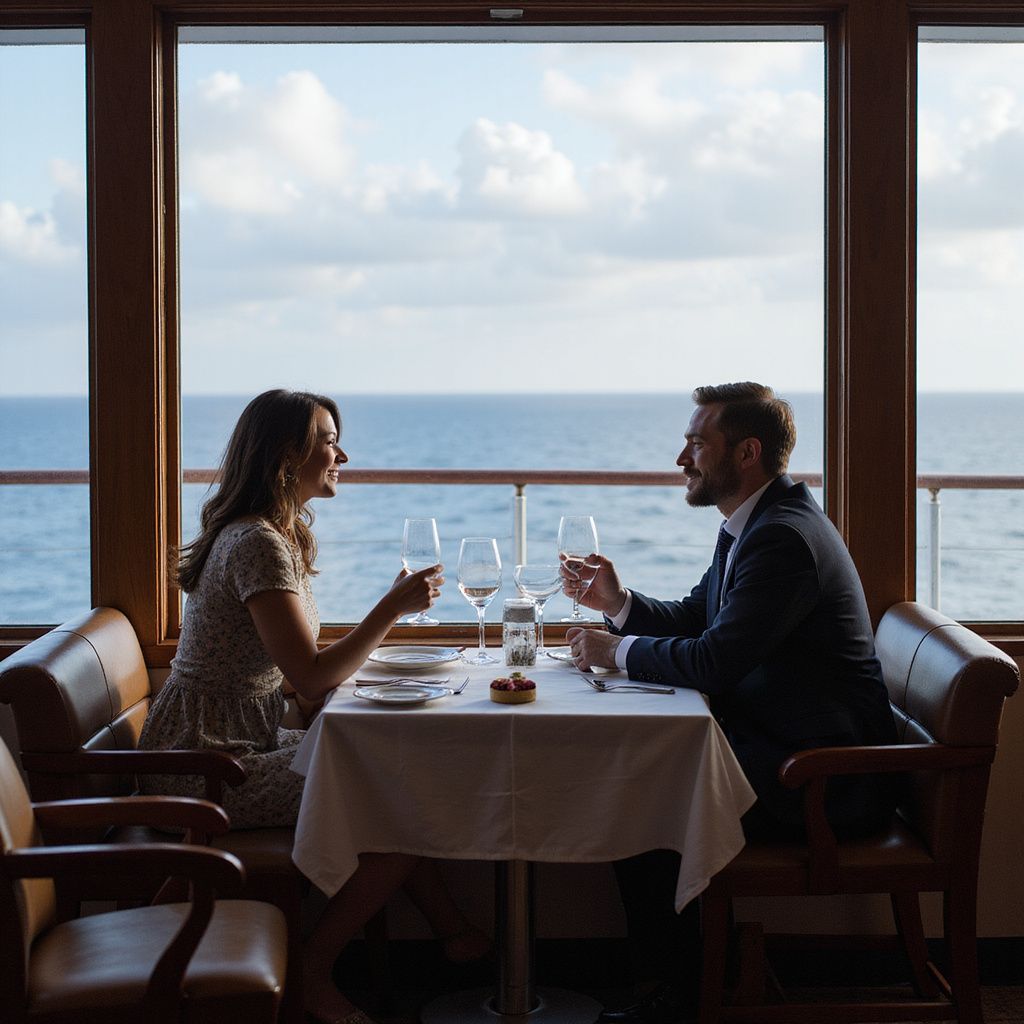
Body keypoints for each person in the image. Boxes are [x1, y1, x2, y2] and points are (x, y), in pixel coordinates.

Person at [139, 389, 487, 1024]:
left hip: (237, 741)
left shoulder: (274, 534)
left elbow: (307, 678)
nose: (342, 455)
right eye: (329, 442)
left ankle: (454, 931)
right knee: (404, 800)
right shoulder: (257, 544)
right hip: (206, 765)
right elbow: (309, 675)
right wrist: (391, 609)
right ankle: (315, 966)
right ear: (284, 455)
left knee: (403, 776)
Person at [562, 382, 898, 1024]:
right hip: (779, 745)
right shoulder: (755, 522)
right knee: (642, 779)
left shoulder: (783, 538)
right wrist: (618, 606)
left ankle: (682, 995)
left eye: (696, 443)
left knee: (642, 799)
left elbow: (717, 660)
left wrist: (616, 652)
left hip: (825, 778)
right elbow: (700, 618)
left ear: (746, 452)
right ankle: (683, 980)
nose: (681, 458)